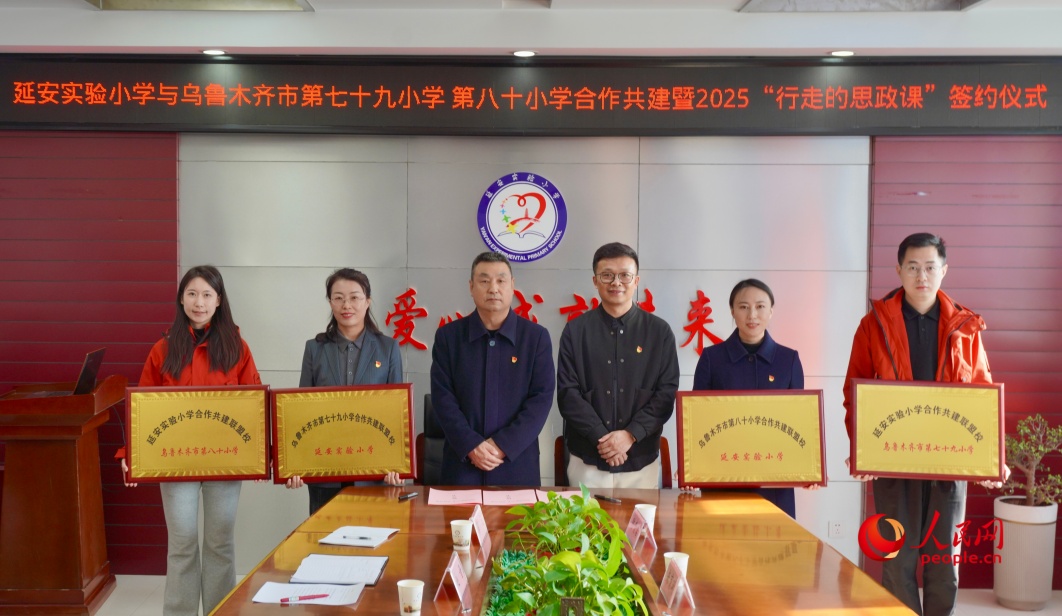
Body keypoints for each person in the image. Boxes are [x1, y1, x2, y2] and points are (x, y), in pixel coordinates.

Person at [843, 233, 1000, 616]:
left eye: (930, 267)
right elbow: (855, 392)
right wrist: (862, 451)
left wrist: (990, 459)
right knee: (897, 561)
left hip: (948, 462)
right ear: (898, 269)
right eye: (912, 267)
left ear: (944, 270)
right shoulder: (873, 325)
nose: (921, 276)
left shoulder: (966, 328)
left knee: (944, 564)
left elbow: (982, 395)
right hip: (894, 461)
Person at [120, 265, 261, 616]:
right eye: (192, 294)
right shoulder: (162, 349)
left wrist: (263, 454)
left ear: (219, 301)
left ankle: (220, 611)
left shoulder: (237, 348)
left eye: (207, 295)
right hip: (175, 461)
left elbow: (255, 404)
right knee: (182, 544)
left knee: (219, 544)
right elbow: (142, 408)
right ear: (181, 299)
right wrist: (130, 454)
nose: (199, 302)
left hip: (225, 460)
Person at [557, 242, 679, 489]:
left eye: (625, 275)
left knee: (640, 517)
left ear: (636, 281)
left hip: (640, 459)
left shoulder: (659, 332)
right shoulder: (576, 330)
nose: (616, 282)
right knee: (583, 517)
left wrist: (630, 435)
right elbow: (568, 393)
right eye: (607, 275)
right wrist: (602, 439)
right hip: (587, 459)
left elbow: (665, 394)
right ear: (595, 281)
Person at [284, 268, 404, 514]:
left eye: (354, 297)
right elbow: (301, 412)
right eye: (338, 298)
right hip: (325, 468)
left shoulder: (388, 348)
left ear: (367, 301)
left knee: (372, 534)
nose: (346, 305)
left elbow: (397, 413)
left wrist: (398, 464)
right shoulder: (315, 349)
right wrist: (295, 465)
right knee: (325, 535)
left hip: (374, 469)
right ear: (330, 302)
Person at [429, 251, 555, 486]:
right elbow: (443, 398)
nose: (493, 288)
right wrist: (471, 446)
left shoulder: (535, 338)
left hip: (516, 466)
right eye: (484, 281)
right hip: (462, 467)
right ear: (471, 286)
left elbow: (541, 399)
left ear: (512, 285)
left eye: (500, 280)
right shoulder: (448, 337)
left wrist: (503, 446)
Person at [692, 278, 805, 517]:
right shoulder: (712, 359)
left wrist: (808, 469)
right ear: (732, 311)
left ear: (771, 311)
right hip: (722, 475)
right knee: (722, 538)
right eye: (743, 307)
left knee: (775, 538)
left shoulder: (788, 360)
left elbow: (800, 421)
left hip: (774, 479)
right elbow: (697, 420)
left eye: (760, 306)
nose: (752, 315)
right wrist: (691, 467)